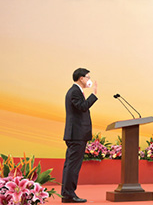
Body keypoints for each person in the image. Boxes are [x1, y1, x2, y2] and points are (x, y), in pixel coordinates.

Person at [61, 68, 98, 203]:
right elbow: (82, 107)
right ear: (81, 78)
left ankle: (67, 194)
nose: (89, 79)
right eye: (87, 77)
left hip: (76, 134)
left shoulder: (75, 91)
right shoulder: (74, 91)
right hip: (76, 135)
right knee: (72, 166)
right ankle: (69, 195)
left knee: (71, 165)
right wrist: (93, 95)